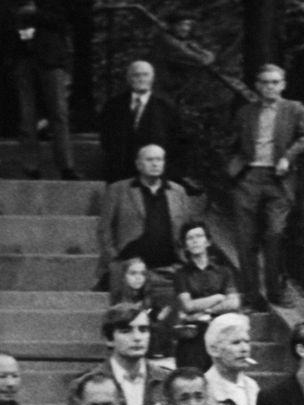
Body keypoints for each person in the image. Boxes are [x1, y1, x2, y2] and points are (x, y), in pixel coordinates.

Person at [227, 64, 304, 309]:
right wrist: (232, 167)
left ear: (283, 84)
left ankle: (276, 291)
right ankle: (251, 296)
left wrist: (289, 156)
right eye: (266, 82)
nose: (271, 87)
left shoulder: (294, 109)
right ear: (258, 86)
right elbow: (231, 141)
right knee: (245, 239)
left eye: (275, 82)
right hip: (248, 178)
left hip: (278, 180)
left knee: (275, 233)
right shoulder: (245, 112)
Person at [96, 144, 192, 295]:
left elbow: (187, 228)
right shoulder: (118, 190)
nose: (155, 164)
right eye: (149, 160)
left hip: (170, 265)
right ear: (138, 164)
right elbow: (104, 229)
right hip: (129, 264)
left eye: (159, 159)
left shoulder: (178, 191)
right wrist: (114, 260)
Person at [1, 0, 78, 179]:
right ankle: (31, 168)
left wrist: (33, 14)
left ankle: (66, 167)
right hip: (21, 59)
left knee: (58, 114)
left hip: (51, 59)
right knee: (27, 116)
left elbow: (64, 21)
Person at [98, 60, 188, 185]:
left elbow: (177, 140)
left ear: (152, 78)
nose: (141, 79)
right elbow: (106, 138)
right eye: (136, 75)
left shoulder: (166, 106)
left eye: (145, 75)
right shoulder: (113, 105)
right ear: (128, 79)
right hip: (120, 173)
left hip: (156, 174)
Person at [81, 303, 171, 405]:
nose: (137, 338)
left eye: (143, 330)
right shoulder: (87, 384)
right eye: (126, 331)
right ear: (109, 339)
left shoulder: (167, 380)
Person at [172, 221, 240, 370]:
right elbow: (188, 306)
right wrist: (218, 298)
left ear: (208, 241)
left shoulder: (224, 272)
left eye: (199, 236)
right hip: (194, 335)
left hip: (221, 333)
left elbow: (234, 302)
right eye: (190, 238)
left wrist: (206, 311)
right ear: (185, 245)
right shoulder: (181, 274)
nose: (195, 240)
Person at [203, 313, 258, 405]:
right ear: (213, 350)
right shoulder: (203, 388)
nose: (244, 349)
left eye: (247, 342)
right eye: (236, 343)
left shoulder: (252, 387)